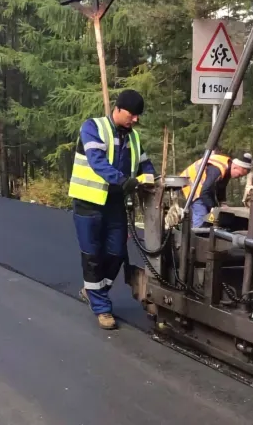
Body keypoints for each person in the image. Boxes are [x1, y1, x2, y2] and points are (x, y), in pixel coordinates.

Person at [68, 89, 156, 330]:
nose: (135, 119)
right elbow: (97, 161)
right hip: (89, 203)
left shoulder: (134, 138)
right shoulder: (93, 127)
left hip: (115, 205)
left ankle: (94, 290)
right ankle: (102, 308)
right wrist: (123, 180)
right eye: (132, 114)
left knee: (116, 253)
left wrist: (153, 180)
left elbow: (145, 165)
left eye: (138, 115)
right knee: (93, 257)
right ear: (118, 109)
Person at [181, 152, 252, 227]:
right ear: (235, 167)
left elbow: (221, 186)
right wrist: (213, 207)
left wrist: (222, 203)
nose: (239, 177)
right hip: (191, 185)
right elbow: (204, 192)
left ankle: (208, 231)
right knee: (202, 211)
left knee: (212, 214)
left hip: (204, 188)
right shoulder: (217, 169)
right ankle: (198, 233)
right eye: (239, 174)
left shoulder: (227, 168)